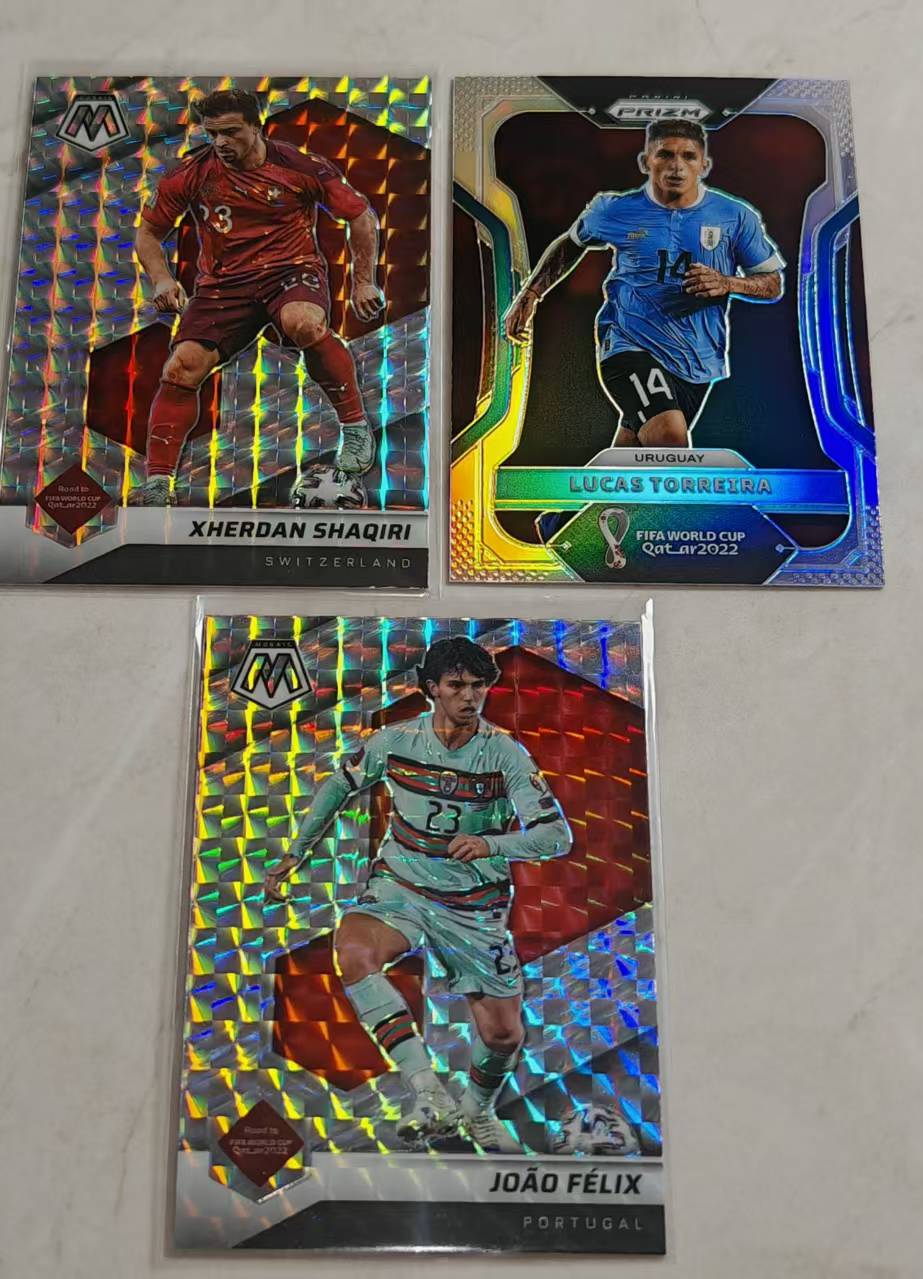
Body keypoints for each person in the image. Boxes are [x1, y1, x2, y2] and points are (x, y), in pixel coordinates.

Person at [263, 637, 572, 1151]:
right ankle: (427, 1090)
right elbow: (339, 786)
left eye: (479, 686)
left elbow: (556, 836)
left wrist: (492, 843)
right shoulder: (395, 741)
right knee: (353, 950)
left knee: (503, 1035)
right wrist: (296, 853)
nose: (469, 697)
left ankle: (476, 1111)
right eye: (457, 686)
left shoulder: (506, 754)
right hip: (401, 884)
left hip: (473, 905)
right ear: (431, 689)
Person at [504, 118, 785, 540]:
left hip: (697, 359)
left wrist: (729, 283)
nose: (677, 165)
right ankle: (666, 544)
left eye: (688, 156)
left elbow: (772, 283)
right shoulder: (615, 210)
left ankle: (561, 521)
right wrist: (531, 293)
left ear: (704, 164)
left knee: (633, 453)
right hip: (627, 343)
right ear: (645, 161)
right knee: (670, 440)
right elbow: (570, 244)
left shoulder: (734, 217)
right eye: (665, 154)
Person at [132, 88, 384, 505]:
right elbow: (148, 233)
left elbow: (360, 216)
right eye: (212, 133)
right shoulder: (191, 173)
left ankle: (356, 427)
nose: (220, 142)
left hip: (291, 271)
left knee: (304, 323)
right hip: (223, 286)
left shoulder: (300, 167)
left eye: (231, 132)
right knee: (180, 368)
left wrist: (363, 282)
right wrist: (161, 280)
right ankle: (159, 484)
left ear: (257, 127)